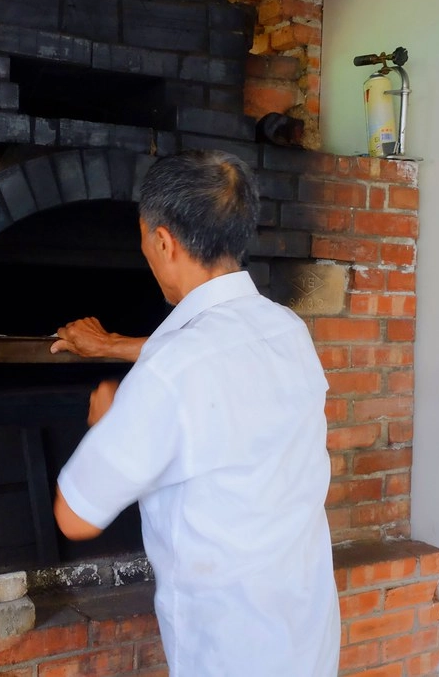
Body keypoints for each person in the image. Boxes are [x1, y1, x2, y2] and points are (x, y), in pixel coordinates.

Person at [50, 150, 340, 676]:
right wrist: (114, 345)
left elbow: (74, 515)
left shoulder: (167, 377)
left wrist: (109, 422)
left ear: (163, 240)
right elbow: (209, 356)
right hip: (305, 630)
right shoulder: (286, 331)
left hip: (228, 649)